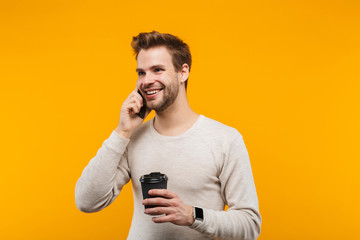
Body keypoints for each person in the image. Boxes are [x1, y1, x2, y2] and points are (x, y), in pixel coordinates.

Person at [75, 31, 261, 240]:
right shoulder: (131, 138)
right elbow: (86, 201)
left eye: (157, 70)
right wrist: (122, 131)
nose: (146, 81)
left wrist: (192, 215)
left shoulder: (225, 139)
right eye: (141, 73)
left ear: (183, 73)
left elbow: (250, 224)